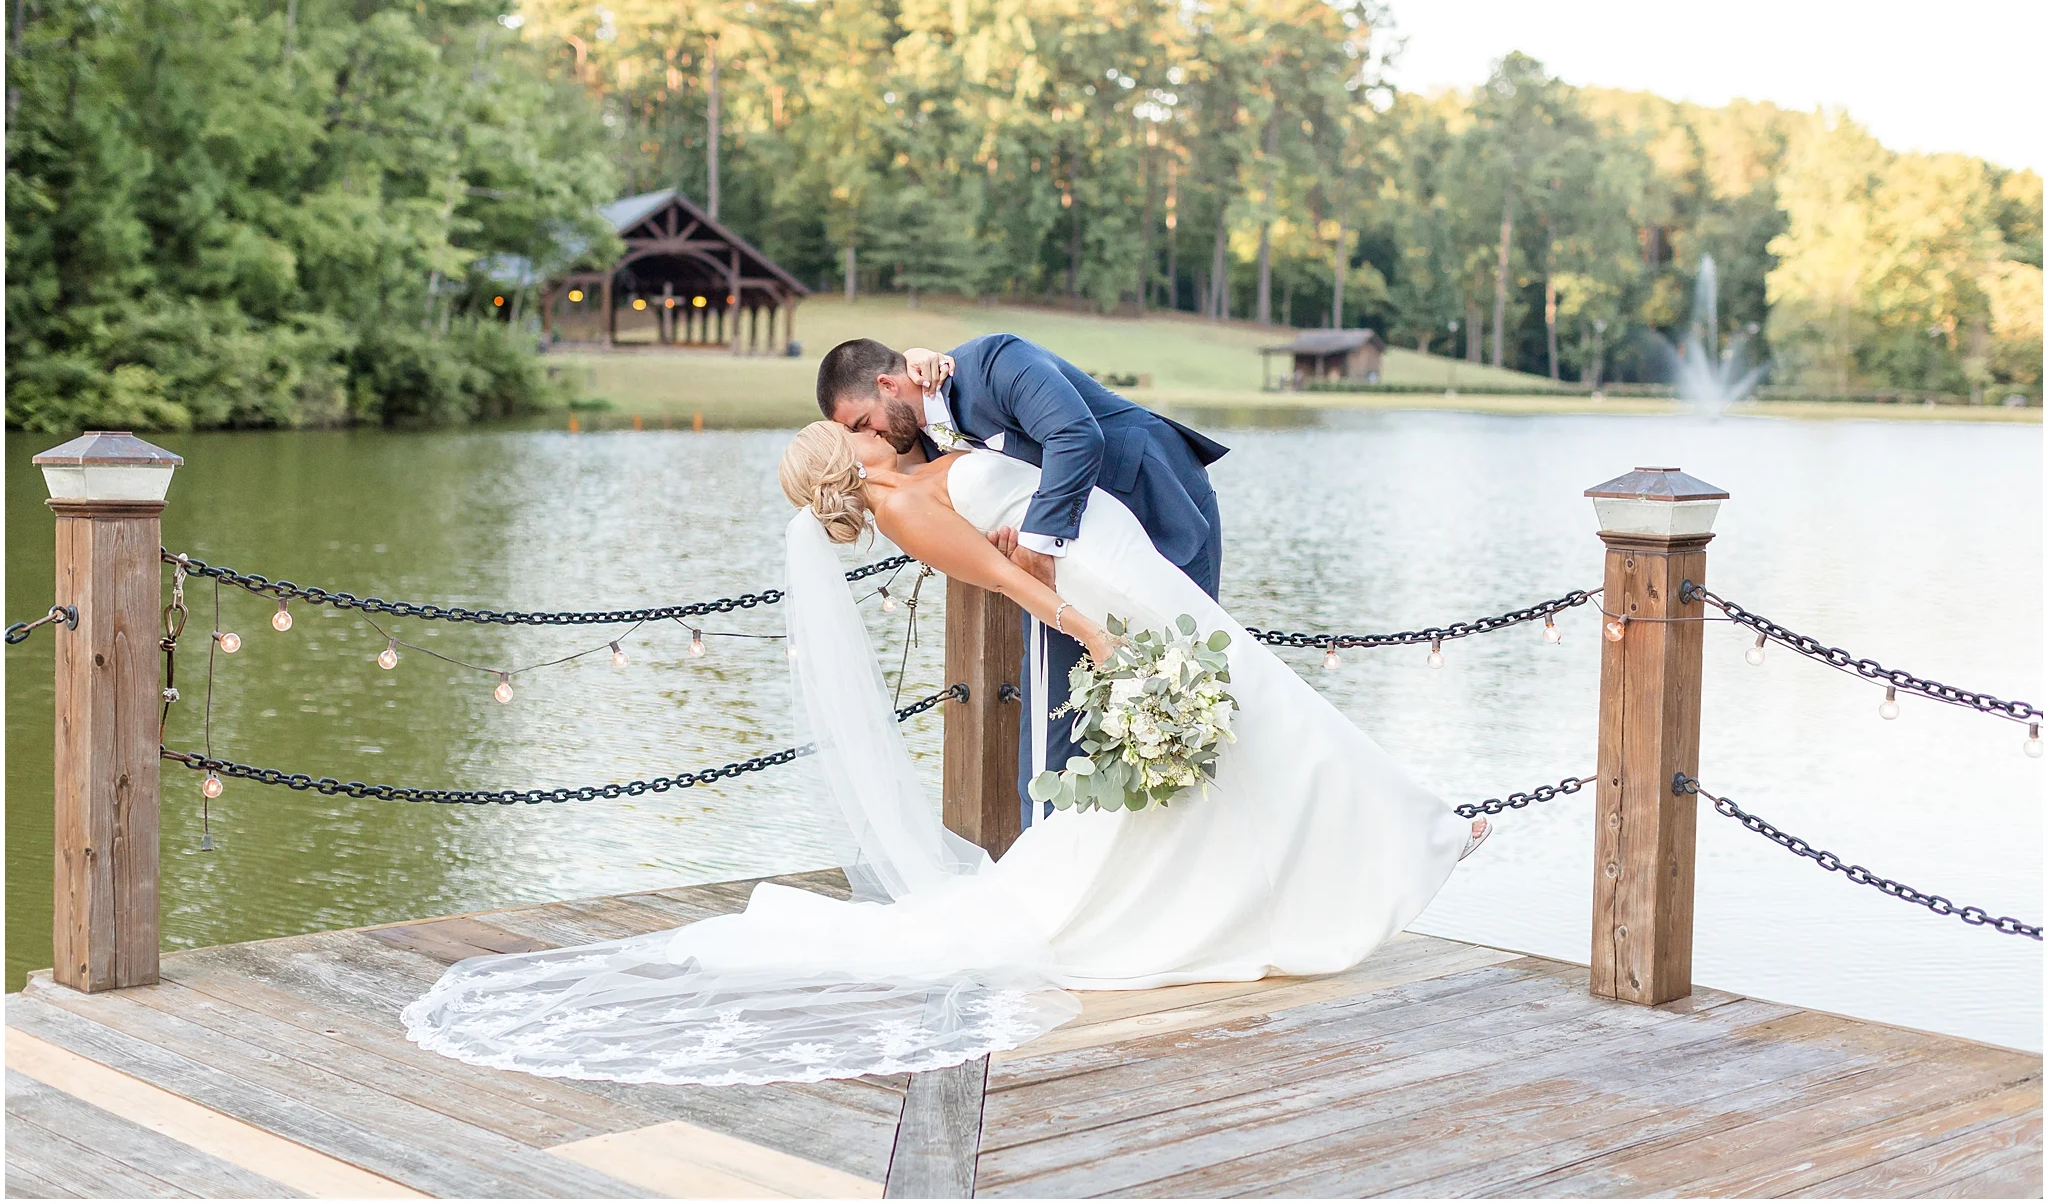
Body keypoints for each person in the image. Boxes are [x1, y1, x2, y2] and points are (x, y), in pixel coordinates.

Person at [402, 417, 1489, 1088]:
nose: (874, 424)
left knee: (1257, 709)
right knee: (1265, 699)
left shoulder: (917, 477)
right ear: (854, 452)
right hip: (1109, 595)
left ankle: (1379, 846)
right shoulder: (910, 511)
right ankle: (1424, 832)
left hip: (1115, 570)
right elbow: (1012, 580)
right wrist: (1097, 636)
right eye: (860, 425)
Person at [815, 335, 1226, 830]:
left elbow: (1076, 435)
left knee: (1192, 674)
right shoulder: (909, 441)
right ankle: (1048, 864)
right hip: (1058, 575)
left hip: (1153, 497)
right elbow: (839, 465)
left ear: (888, 384)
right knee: (1054, 716)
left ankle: (1199, 839)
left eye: (864, 423)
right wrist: (1001, 544)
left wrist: (1033, 544)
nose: (869, 436)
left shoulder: (993, 362)